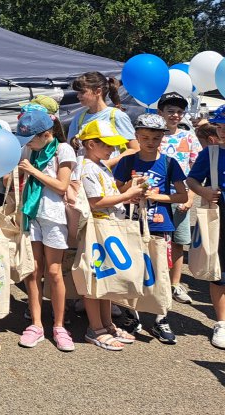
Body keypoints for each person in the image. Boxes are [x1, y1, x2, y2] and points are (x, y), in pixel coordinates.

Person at [113, 113, 188, 344]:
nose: (150, 142)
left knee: (159, 273)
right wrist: (131, 191)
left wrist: (156, 195)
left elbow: (182, 195)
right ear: (136, 136)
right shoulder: (128, 161)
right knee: (132, 270)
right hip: (131, 222)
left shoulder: (169, 163)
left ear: (162, 138)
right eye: (145, 137)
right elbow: (117, 190)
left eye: (155, 138)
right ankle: (131, 313)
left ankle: (160, 317)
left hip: (159, 224)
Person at [76, 120, 145, 350]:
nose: (111, 150)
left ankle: (106, 324)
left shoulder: (100, 166)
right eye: (106, 145)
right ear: (91, 144)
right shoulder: (87, 168)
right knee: (95, 279)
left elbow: (108, 196)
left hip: (107, 228)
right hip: (98, 229)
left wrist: (130, 193)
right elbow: (96, 202)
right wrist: (128, 195)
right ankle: (95, 327)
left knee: (106, 279)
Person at [14, 107, 76, 351]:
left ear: (46, 134)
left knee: (54, 271)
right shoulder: (29, 149)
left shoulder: (63, 149)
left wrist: (32, 171)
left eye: (31, 138)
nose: (28, 143)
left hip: (54, 215)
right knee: (33, 269)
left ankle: (59, 325)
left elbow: (62, 185)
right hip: (32, 214)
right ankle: (37, 324)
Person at [184, 104, 225, 350]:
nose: (221, 131)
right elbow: (191, 179)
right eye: (219, 126)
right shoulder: (211, 153)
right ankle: (221, 322)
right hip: (220, 217)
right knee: (219, 271)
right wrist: (203, 192)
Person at [157, 92, 202, 305]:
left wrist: (190, 197)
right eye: (170, 111)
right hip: (157, 197)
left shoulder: (189, 137)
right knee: (156, 240)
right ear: (161, 112)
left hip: (181, 197)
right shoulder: (154, 136)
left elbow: (196, 171)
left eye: (179, 112)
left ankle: (175, 284)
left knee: (178, 241)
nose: (175, 115)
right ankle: (157, 282)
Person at [66, 72, 138, 165]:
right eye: (78, 92)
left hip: (110, 176)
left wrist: (107, 163)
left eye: (82, 92)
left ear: (98, 92)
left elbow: (134, 149)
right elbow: (70, 149)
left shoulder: (116, 116)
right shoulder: (78, 118)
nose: (78, 96)